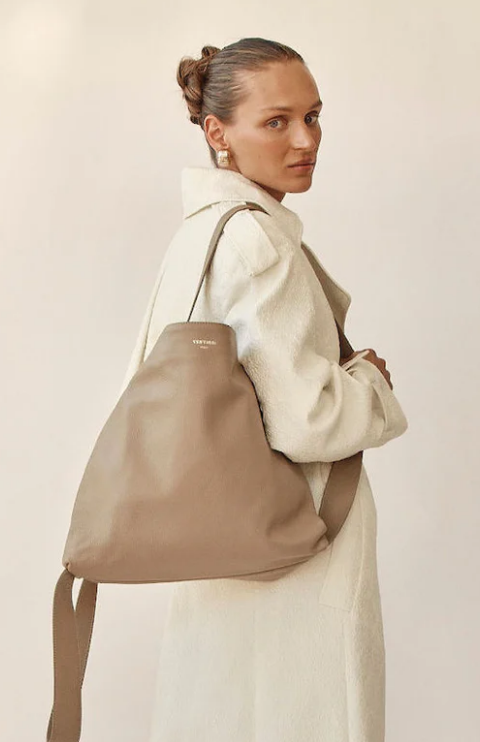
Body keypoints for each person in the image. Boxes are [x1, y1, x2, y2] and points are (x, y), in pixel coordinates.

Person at [120, 37, 409, 742]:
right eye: (276, 121)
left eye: (313, 116)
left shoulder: (196, 237)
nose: (305, 140)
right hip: (296, 546)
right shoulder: (260, 243)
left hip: (217, 538)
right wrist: (369, 383)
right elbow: (308, 421)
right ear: (218, 132)